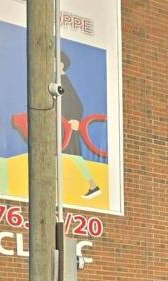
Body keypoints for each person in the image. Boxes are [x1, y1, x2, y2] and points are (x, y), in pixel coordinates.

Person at [60, 50, 100, 198]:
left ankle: (92, 185)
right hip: (63, 126)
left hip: (67, 127)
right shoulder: (60, 80)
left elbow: (76, 104)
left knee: (74, 157)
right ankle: (92, 185)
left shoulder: (63, 80)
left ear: (62, 64)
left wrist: (75, 119)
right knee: (71, 157)